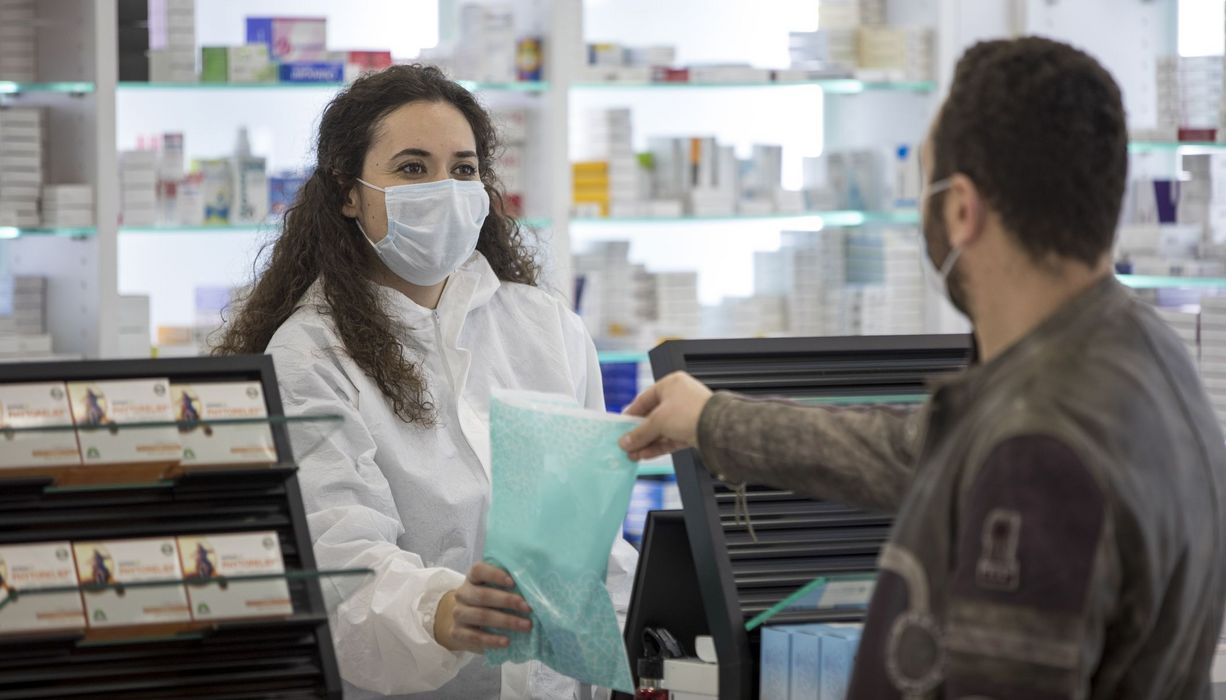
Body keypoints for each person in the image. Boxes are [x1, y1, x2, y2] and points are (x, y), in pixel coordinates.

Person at [619, 37, 1226, 700]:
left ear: (962, 210)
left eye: (924, 185)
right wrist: (714, 421)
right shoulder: (1136, 354)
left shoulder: (1042, 449)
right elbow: (916, 452)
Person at [214, 64, 637, 699]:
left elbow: (594, 542)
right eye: (412, 168)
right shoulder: (309, 356)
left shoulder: (545, 328)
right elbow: (339, 562)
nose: (443, 189)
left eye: (463, 169)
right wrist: (441, 609)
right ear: (347, 191)